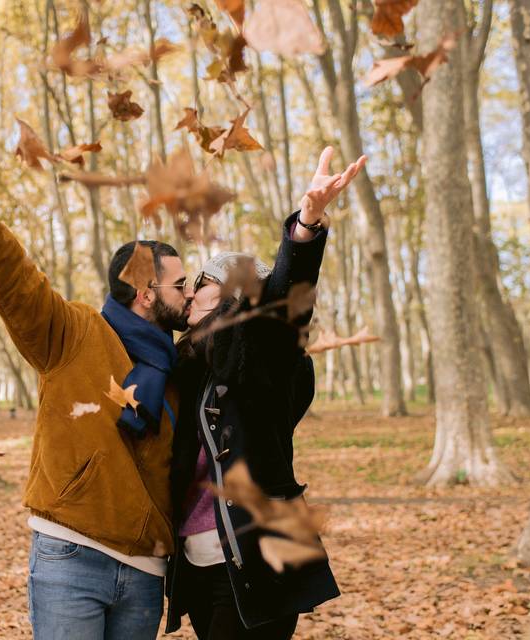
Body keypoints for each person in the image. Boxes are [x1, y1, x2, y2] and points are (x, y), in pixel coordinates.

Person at [0, 121, 192, 640]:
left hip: (148, 573)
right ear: (147, 293)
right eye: (179, 284)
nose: (189, 293)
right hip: (71, 557)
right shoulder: (75, 333)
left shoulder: (177, 370)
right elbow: (12, 278)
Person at [165, 147, 366, 639]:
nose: (189, 293)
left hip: (264, 555)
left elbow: (284, 301)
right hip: (204, 561)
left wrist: (308, 222)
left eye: (201, 283)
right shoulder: (193, 366)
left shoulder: (266, 356)